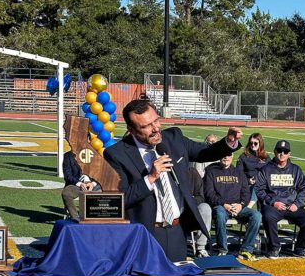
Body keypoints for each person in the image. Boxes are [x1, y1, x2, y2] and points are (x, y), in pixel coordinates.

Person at [103, 99, 241, 262]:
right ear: (131, 130)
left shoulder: (173, 138)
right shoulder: (116, 154)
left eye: (156, 120)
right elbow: (118, 199)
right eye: (146, 126)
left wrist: (229, 142)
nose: (155, 128)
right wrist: (150, 178)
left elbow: (205, 153)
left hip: (177, 230)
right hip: (146, 233)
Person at [255, 140, 305, 259]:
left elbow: (302, 188)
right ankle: (274, 248)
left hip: (292, 206)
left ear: (289, 154)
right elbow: (259, 190)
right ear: (275, 152)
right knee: (268, 217)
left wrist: (297, 204)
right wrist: (273, 202)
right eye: (279, 151)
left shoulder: (296, 169)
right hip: (274, 205)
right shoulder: (265, 169)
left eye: (285, 151)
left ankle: (300, 248)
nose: (282, 154)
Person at [204, 153, 262, 261]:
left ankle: (246, 250)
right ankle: (223, 250)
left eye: (228, 155)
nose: (226, 157)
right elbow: (209, 194)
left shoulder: (239, 173)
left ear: (232, 156)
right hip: (221, 206)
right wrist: (224, 205)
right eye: (223, 154)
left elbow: (246, 193)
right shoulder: (211, 171)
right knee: (220, 214)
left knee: (256, 215)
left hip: (238, 207)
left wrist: (241, 205)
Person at [61, 150, 101, 221]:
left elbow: (101, 173)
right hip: (76, 184)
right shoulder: (68, 155)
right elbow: (67, 175)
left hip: (94, 184)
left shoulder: (96, 153)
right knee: (66, 193)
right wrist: (80, 184)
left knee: (107, 193)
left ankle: (95, 217)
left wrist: (93, 183)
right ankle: (75, 218)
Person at [236, 132, 270, 208]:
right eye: (251, 143)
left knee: (259, 184)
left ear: (260, 143)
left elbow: (270, 171)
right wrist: (248, 180)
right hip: (247, 183)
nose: (253, 145)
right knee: (257, 185)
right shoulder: (244, 156)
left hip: (263, 184)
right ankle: (250, 205)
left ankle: (251, 205)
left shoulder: (265, 157)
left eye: (255, 143)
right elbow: (238, 173)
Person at [187, 166, 212, 258]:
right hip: (171, 211)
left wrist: (189, 200)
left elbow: (200, 197)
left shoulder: (192, 172)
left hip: (190, 210)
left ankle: (201, 248)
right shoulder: (166, 171)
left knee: (205, 207)